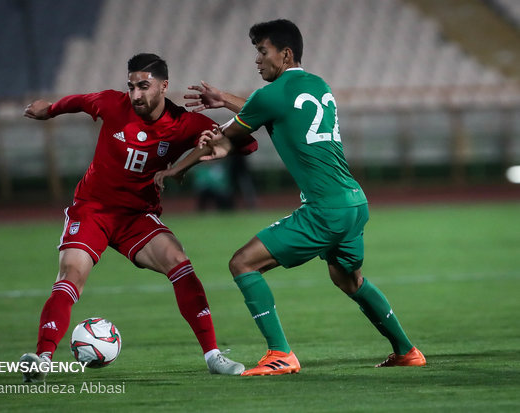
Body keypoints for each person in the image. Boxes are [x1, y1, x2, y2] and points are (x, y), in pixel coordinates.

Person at [173, 19, 426, 375]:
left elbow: (230, 132)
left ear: (285, 53)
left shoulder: (270, 96)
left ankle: (280, 353)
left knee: (243, 263)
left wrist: (176, 170)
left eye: (263, 52)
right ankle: (406, 350)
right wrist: (225, 99)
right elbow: (273, 108)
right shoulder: (317, 84)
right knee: (348, 279)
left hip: (325, 209)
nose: (257, 61)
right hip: (354, 202)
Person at [21, 53, 257, 382]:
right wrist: (51, 110)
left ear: (164, 86)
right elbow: (79, 101)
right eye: (131, 87)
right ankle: (42, 357)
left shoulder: (185, 124)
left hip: (137, 216)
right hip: (93, 209)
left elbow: (249, 143)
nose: (135, 95)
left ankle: (213, 355)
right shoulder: (111, 104)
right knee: (71, 275)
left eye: (143, 87)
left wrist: (223, 132)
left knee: (178, 260)